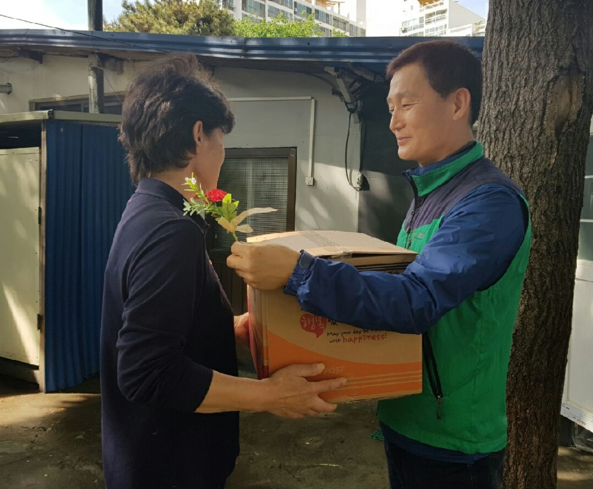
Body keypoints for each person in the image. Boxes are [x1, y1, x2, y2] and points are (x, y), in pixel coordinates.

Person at [227, 40, 531, 489]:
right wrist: (274, 325)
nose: (393, 122)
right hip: (405, 416)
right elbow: (386, 295)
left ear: (457, 104)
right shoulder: (430, 193)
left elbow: (414, 301)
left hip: (455, 444)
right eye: (390, 109)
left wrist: (298, 272)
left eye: (406, 104)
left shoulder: (488, 202)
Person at [99, 55, 346, 489]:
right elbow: (146, 371)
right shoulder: (170, 231)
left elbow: (156, 326)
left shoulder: (145, 211)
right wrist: (270, 394)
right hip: (171, 469)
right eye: (221, 139)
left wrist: (227, 327)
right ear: (198, 135)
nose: (223, 153)